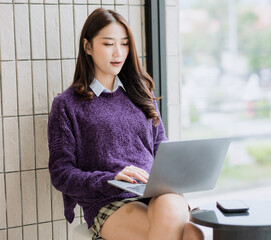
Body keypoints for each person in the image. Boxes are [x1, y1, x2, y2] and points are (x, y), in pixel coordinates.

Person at [48, 8, 204, 240]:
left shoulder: (142, 92)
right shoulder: (67, 104)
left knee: (183, 220)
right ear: (87, 47)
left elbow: (160, 145)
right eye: (108, 44)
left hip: (155, 192)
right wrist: (110, 180)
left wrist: (176, 170)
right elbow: (62, 174)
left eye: (124, 44)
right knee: (189, 234)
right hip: (108, 200)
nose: (118, 53)